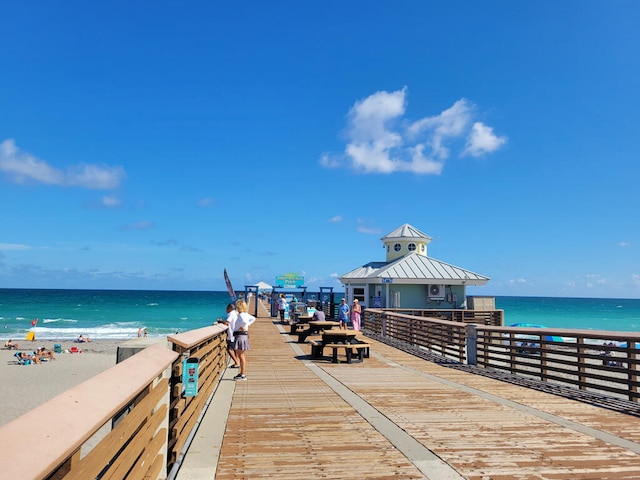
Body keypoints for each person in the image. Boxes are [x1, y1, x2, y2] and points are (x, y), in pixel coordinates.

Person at [232, 299, 256, 381]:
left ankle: (243, 374)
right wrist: (247, 326)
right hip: (242, 336)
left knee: (241, 356)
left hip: (240, 336)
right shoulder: (245, 314)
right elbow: (253, 318)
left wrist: (244, 326)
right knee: (241, 356)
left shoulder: (242, 315)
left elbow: (244, 321)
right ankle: (242, 373)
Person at [218, 303, 240, 368]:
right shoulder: (235, 313)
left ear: (229, 308)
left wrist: (221, 322)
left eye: (227, 309)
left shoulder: (231, 314)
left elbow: (227, 323)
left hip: (232, 334)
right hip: (236, 333)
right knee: (235, 349)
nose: (226, 310)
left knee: (229, 349)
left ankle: (236, 362)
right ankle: (237, 362)